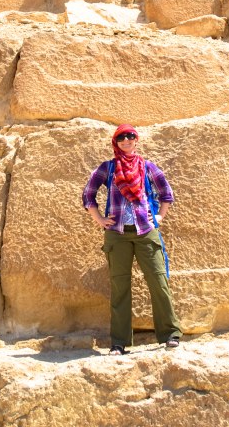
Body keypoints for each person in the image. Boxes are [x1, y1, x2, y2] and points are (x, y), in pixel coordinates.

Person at [83, 123, 182, 356]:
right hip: (117, 234)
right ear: (115, 143)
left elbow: (166, 193)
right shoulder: (108, 168)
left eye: (130, 136)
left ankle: (170, 334)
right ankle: (119, 343)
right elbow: (88, 194)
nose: (126, 141)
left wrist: (159, 216)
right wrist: (99, 219)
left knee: (158, 280)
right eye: (121, 138)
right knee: (120, 286)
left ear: (136, 140)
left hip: (146, 231)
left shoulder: (147, 167)